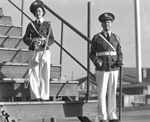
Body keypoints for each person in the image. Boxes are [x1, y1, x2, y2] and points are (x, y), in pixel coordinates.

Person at [90, 12, 123, 122]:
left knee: (112, 92)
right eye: (104, 22)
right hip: (101, 68)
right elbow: (92, 53)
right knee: (101, 93)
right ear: (101, 24)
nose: (106, 24)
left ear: (111, 23)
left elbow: (120, 53)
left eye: (108, 22)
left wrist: (119, 61)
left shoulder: (116, 38)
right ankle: (102, 116)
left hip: (113, 68)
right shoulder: (96, 37)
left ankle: (112, 115)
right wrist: (96, 60)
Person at [23, 0, 55, 101]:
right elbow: (25, 38)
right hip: (33, 51)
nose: (38, 13)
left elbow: (52, 39)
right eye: (36, 12)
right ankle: (35, 96)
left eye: (39, 11)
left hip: (45, 51)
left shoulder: (47, 25)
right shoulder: (30, 25)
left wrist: (44, 42)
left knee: (45, 74)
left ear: (43, 12)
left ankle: (44, 96)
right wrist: (33, 41)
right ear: (34, 13)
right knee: (34, 74)